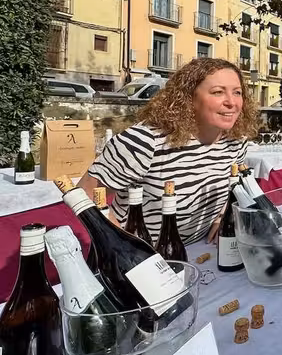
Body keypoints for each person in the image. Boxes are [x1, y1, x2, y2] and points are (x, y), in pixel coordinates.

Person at [80, 58, 259, 245]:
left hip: (199, 249)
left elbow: (231, 185)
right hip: (143, 257)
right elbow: (85, 192)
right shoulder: (144, 141)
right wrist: (122, 246)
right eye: (218, 92)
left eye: (237, 92)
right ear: (188, 98)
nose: (232, 102)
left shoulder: (236, 141)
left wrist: (221, 216)